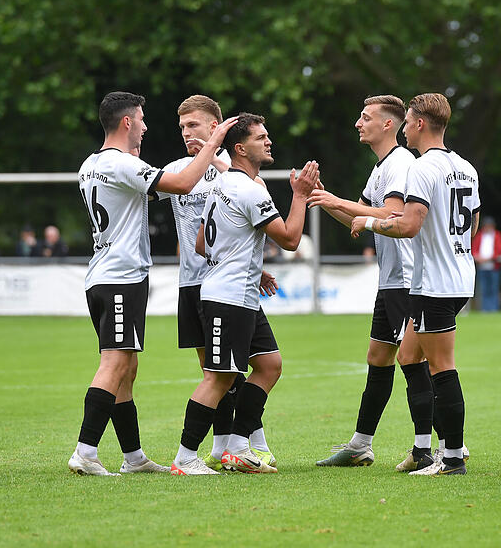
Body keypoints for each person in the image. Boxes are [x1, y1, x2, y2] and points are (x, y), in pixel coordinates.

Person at [68, 91, 237, 476]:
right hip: (121, 276)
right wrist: (213, 144)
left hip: (102, 274)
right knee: (114, 363)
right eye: (142, 120)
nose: (146, 127)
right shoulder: (122, 164)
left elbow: (160, 187)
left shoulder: (90, 164)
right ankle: (85, 451)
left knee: (126, 366)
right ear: (127, 122)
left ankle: (133, 458)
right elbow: (181, 184)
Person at [170, 112, 318, 475]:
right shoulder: (248, 189)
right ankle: (185, 457)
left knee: (269, 366)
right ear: (240, 148)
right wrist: (300, 194)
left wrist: (252, 264)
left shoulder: (220, 185)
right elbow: (291, 239)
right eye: (260, 137)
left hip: (241, 293)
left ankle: (238, 446)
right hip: (228, 297)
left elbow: (203, 244)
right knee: (218, 378)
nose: (268, 141)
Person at [351, 92, 479, 476]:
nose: (405, 128)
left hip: (433, 284)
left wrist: (370, 222)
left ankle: (452, 457)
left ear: (420, 123)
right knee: (408, 356)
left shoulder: (423, 168)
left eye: (407, 121)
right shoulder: (466, 167)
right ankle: (424, 449)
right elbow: (471, 223)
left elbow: (407, 225)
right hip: (458, 276)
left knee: (441, 366)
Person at [155, 95, 276, 472]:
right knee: (217, 373)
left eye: (194, 125)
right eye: (182, 128)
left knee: (238, 369)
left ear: (216, 126)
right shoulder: (179, 171)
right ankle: (224, 447)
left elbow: (237, 234)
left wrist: (255, 270)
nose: (187, 133)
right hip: (192, 284)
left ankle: (252, 443)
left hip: (227, 282)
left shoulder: (234, 174)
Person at [307, 95, 416, 467]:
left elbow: (392, 214)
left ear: (389, 124)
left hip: (408, 280)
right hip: (390, 282)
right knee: (378, 357)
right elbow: (360, 221)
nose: (358, 123)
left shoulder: (401, 163)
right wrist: (326, 200)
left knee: (415, 361)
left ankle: (437, 447)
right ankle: (360, 445)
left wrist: (336, 199)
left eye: (366, 117)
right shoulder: (381, 167)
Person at [472, 216, 501, 311]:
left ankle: (493, 309)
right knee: (483, 290)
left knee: (493, 290)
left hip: (493, 267)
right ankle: (485, 310)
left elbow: (500, 250)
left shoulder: (497, 235)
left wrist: (488, 258)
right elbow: (474, 249)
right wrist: (478, 257)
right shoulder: (479, 236)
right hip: (482, 267)